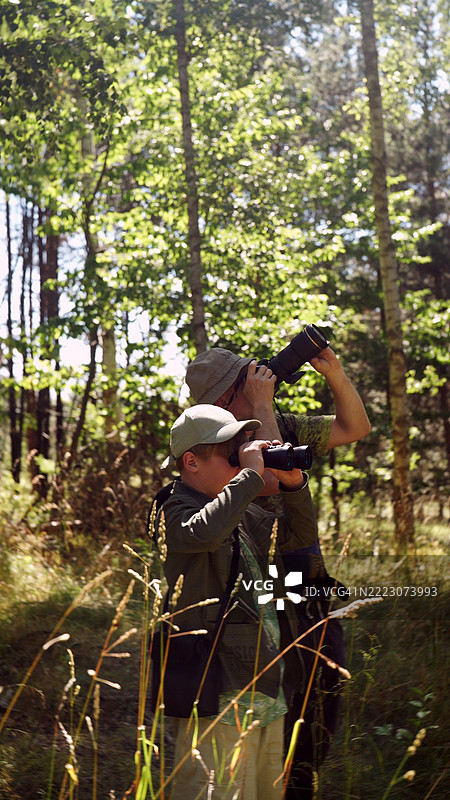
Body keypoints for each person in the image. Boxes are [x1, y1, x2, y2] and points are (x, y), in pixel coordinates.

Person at [184, 344, 371, 798]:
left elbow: (356, 427)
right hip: (264, 591)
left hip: (305, 574)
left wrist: (336, 375)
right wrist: (263, 405)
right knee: (286, 706)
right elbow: (268, 481)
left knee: (322, 697)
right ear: (226, 398)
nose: (259, 378)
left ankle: (300, 783)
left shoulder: (280, 424)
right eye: (245, 377)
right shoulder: (214, 445)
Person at [152, 404, 321, 800]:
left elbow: (298, 540)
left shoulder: (236, 509)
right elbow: (202, 533)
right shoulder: (172, 508)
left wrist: (294, 485)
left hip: (264, 685)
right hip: (215, 691)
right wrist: (247, 475)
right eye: (230, 452)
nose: (239, 459)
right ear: (190, 461)